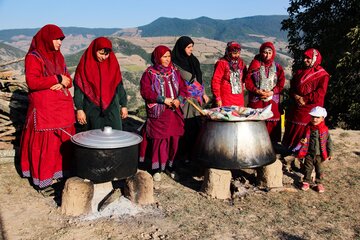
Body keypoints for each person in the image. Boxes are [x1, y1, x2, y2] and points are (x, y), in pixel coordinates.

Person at [20, 24, 75, 196]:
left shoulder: (59, 57)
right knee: (47, 144)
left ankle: (60, 175)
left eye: (61, 39)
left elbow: (69, 81)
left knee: (62, 142)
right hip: (45, 109)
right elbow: (33, 82)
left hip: (61, 107)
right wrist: (57, 78)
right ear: (46, 38)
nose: (60, 42)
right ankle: (42, 181)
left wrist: (62, 81)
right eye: (57, 39)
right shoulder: (33, 57)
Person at [139, 45, 188, 181]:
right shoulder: (149, 73)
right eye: (164, 57)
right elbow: (146, 91)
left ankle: (170, 165)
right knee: (159, 140)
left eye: (169, 56)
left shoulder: (175, 71)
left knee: (174, 139)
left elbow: (183, 89)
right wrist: (163, 99)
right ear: (157, 58)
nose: (167, 59)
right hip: (159, 113)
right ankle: (156, 168)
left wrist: (179, 99)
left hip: (174, 112)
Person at [73, 37, 128, 131]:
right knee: (94, 138)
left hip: (112, 107)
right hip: (92, 108)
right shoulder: (84, 65)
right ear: (94, 50)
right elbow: (79, 89)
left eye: (107, 54)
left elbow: (119, 85)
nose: (104, 57)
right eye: (101, 53)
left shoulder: (112, 63)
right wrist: (79, 109)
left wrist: (124, 105)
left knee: (114, 136)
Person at [282, 48, 330, 152]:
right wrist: (296, 96)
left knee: (307, 129)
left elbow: (321, 92)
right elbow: (292, 88)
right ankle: (290, 149)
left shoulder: (322, 75)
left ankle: (303, 151)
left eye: (308, 58)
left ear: (314, 59)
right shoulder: (299, 73)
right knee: (292, 124)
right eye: (304, 58)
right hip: (297, 105)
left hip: (311, 107)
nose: (305, 60)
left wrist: (305, 99)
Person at [171, 36, 209, 163]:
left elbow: (199, 78)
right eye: (188, 47)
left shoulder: (193, 61)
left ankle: (194, 153)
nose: (191, 50)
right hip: (185, 100)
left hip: (196, 99)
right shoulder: (175, 63)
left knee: (197, 125)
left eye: (192, 47)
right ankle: (183, 155)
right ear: (181, 48)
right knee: (186, 126)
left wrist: (203, 93)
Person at [245, 42, 285, 143]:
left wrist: (272, 92)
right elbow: (248, 81)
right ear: (261, 52)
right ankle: (255, 145)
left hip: (272, 100)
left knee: (272, 120)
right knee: (256, 121)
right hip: (257, 99)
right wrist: (256, 90)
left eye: (269, 52)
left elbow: (281, 83)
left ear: (273, 53)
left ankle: (272, 146)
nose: (266, 55)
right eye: (264, 52)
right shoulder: (255, 65)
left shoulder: (278, 67)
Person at [297, 106, 333, 193]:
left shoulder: (324, 130)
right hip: (309, 153)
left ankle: (319, 183)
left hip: (319, 155)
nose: (315, 119)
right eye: (313, 117)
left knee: (319, 169)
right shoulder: (307, 127)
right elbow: (302, 137)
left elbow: (328, 141)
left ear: (322, 118)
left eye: (317, 117)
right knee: (307, 168)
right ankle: (306, 182)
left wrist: (330, 153)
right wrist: (302, 141)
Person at [211, 41, 247, 107]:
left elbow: (244, 78)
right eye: (234, 53)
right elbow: (216, 81)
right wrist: (218, 98)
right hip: (225, 97)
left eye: (238, 53)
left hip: (239, 97)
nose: (237, 55)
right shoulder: (222, 63)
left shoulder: (241, 63)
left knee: (238, 115)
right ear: (228, 52)